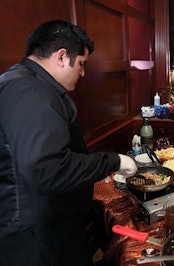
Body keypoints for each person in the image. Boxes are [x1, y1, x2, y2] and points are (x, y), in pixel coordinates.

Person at [0, 20, 137, 266]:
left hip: (40, 225)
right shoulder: (31, 91)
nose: (83, 73)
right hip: (37, 236)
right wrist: (114, 160)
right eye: (82, 64)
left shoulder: (18, 80)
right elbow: (47, 168)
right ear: (62, 57)